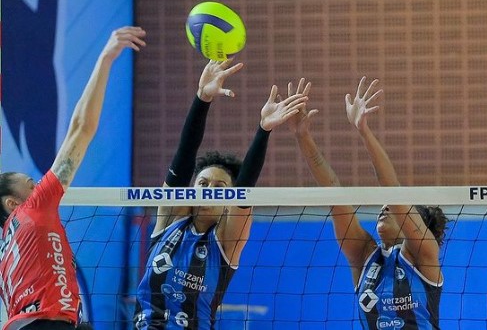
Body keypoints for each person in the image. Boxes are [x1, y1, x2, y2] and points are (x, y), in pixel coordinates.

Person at [134, 59, 307, 330]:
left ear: (230, 201)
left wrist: (264, 130)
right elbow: (184, 158)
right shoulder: (170, 220)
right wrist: (203, 98)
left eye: (219, 189)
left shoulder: (226, 241)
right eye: (202, 184)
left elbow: (245, 189)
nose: (208, 192)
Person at [0, 27, 147, 330]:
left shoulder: (8, 243)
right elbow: (81, 129)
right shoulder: (32, 208)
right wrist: (106, 58)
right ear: (12, 202)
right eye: (30, 184)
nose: (38, 185)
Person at [289, 77, 449, 329]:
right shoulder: (364, 255)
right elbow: (334, 193)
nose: (385, 208)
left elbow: (392, 190)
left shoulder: (424, 254)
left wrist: (364, 131)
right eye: (385, 207)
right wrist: (302, 135)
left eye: (395, 209)